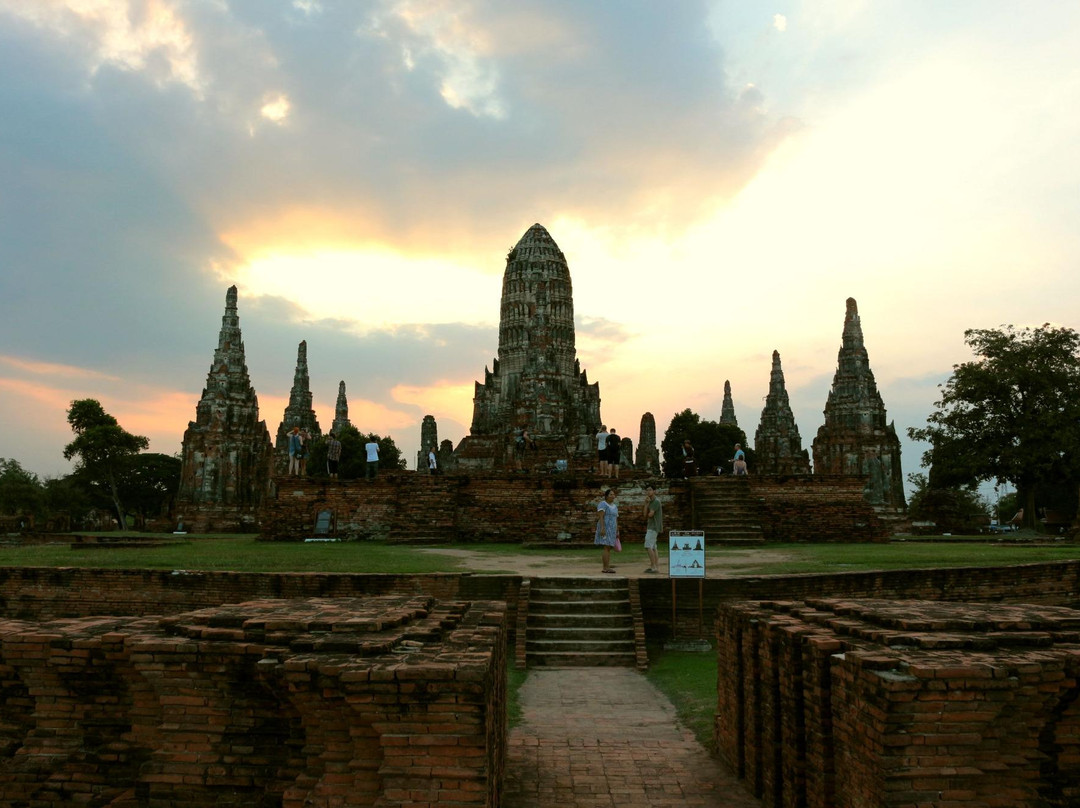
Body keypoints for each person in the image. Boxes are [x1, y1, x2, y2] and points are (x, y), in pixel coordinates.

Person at [594, 488, 619, 574]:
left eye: (613, 494)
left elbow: (616, 518)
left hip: (612, 529)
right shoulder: (603, 504)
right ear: (606, 496)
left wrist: (617, 530)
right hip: (605, 527)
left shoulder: (615, 506)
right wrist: (602, 528)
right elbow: (601, 516)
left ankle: (607, 566)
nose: (613, 496)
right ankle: (605, 567)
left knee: (609, 547)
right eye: (611, 494)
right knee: (606, 547)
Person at [642, 484, 663, 573]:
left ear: (654, 491)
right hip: (652, 526)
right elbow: (644, 515)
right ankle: (655, 566)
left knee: (647, 545)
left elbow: (650, 515)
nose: (648, 492)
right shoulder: (650, 501)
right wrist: (646, 504)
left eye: (650, 490)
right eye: (647, 490)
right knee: (653, 547)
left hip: (654, 526)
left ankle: (653, 567)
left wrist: (647, 506)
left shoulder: (656, 501)